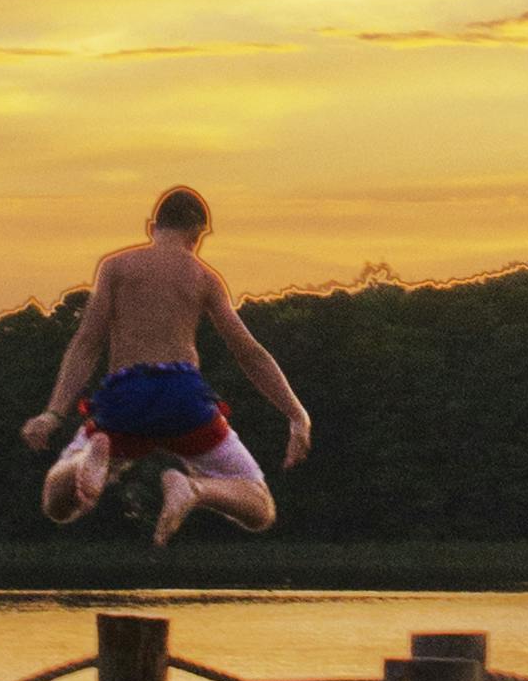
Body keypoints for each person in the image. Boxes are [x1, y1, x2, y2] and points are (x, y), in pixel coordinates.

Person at [27, 187, 313, 544]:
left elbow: (86, 344)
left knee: (57, 502)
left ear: (152, 226)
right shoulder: (204, 277)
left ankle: (85, 460)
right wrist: (296, 414)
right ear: (197, 234)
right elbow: (249, 353)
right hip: (184, 398)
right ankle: (194, 489)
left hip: (125, 397)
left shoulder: (116, 268)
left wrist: (53, 414)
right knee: (259, 506)